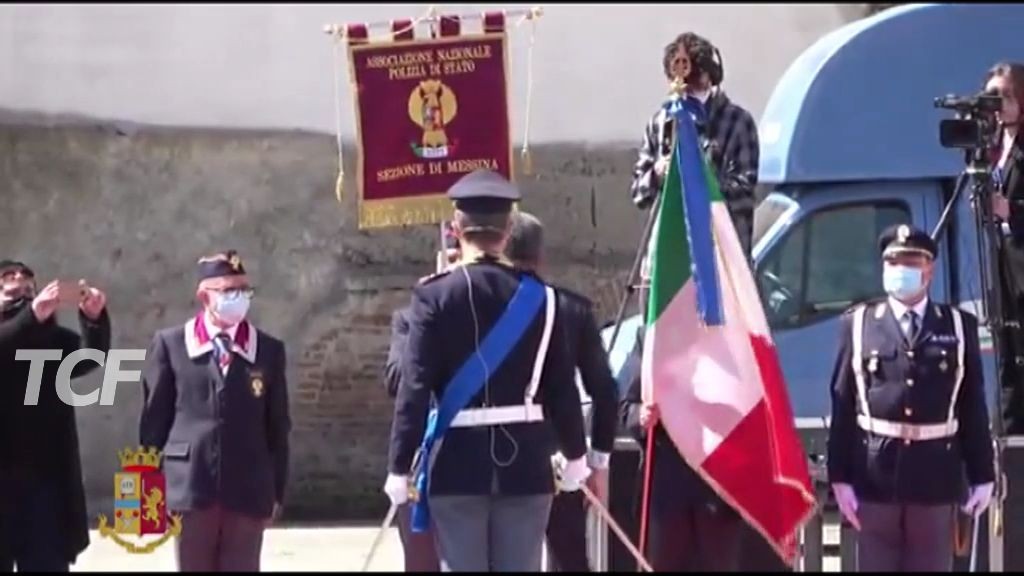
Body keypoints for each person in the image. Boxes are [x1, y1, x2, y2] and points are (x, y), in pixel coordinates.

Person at [384, 170, 591, 572]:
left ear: (456, 228)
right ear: (508, 229)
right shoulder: (544, 298)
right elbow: (561, 386)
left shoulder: (433, 296)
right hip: (526, 464)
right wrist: (576, 455)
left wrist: (399, 465)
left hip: (456, 463)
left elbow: (415, 385)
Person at [826, 224, 996, 572]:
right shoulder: (858, 325)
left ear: (928, 271)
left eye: (910, 262)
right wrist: (839, 477)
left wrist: (983, 475)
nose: (900, 270)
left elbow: (972, 406)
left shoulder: (958, 326)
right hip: (874, 479)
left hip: (934, 478)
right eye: (893, 263)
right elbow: (842, 404)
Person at [139, 250, 291, 572]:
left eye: (243, 290)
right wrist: (147, 495)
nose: (238, 298)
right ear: (203, 296)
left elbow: (278, 426)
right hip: (189, 487)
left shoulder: (267, 349)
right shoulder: (172, 344)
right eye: (227, 291)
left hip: (248, 487)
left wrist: (276, 490)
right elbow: (153, 423)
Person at [503, 211, 620, 572]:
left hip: (499, 452)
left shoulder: (481, 306)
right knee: (568, 557)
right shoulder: (572, 309)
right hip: (560, 452)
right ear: (541, 256)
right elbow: (604, 389)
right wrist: (598, 462)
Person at [0, 260, 111, 572]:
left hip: (43, 483)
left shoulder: (53, 339)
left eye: (27, 280)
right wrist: (31, 318)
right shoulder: (20, 330)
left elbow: (91, 358)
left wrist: (93, 319)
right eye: (8, 278)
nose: (19, 282)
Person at [629, 31, 759, 257]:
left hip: (722, 258)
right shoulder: (660, 122)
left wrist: (699, 179)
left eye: (693, 87)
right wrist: (658, 173)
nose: (685, 94)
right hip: (670, 256)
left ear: (709, 78)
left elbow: (744, 194)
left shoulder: (738, 122)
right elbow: (639, 194)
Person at [983, 62, 1024, 434]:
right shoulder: (995, 143)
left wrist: (1011, 209)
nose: (1000, 104)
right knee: (1008, 361)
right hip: (1003, 268)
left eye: (1007, 96)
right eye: (993, 95)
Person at [384, 307, 441, 572]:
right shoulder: (409, 319)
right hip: (423, 457)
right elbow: (395, 379)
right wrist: (425, 330)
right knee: (421, 556)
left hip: (473, 453)